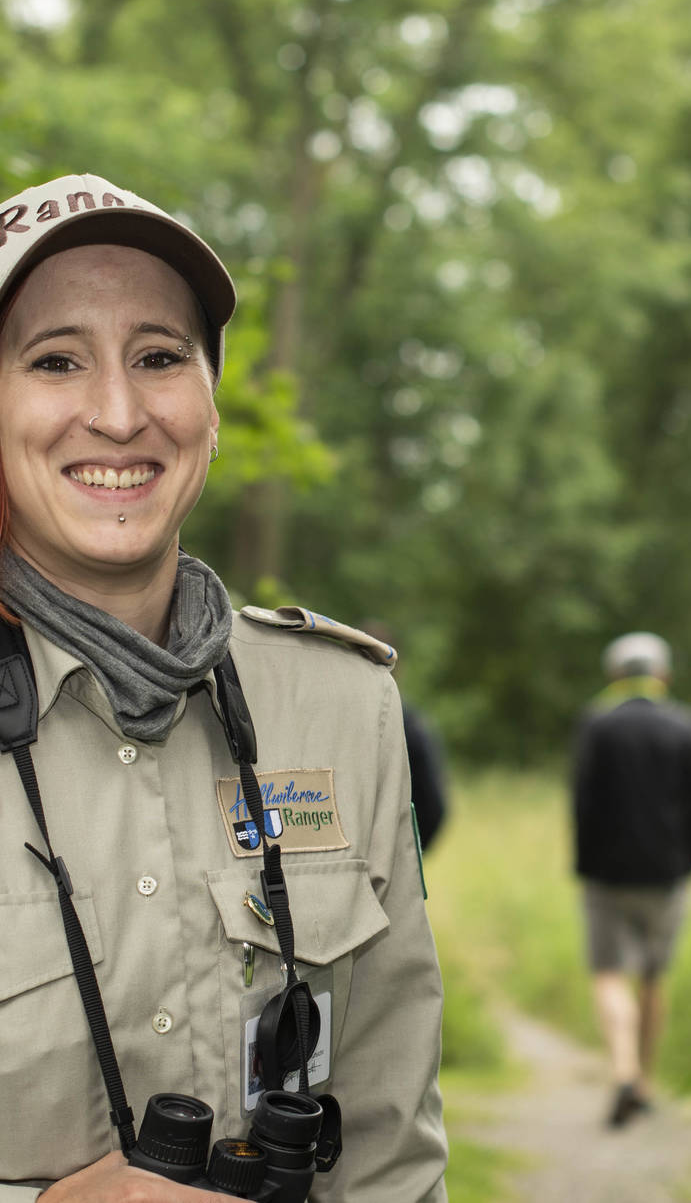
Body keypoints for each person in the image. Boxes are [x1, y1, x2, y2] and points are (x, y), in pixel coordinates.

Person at [0, 174, 447, 1200]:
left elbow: (389, 1138)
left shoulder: (342, 708)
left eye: (160, 357)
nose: (117, 414)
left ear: (207, 400)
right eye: (55, 360)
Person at [571, 631, 691, 1128]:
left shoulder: (597, 724)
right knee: (654, 974)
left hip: (606, 874)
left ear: (615, 675)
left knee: (609, 971)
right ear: (662, 674)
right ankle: (644, 1081)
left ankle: (624, 1071)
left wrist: (584, 863)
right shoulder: (685, 725)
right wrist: (687, 864)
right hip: (667, 873)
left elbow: (583, 803)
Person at [360, 621, 447, 853]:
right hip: (396, 857)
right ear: (398, 667)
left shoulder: (328, 721)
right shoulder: (412, 724)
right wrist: (408, 855)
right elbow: (434, 806)